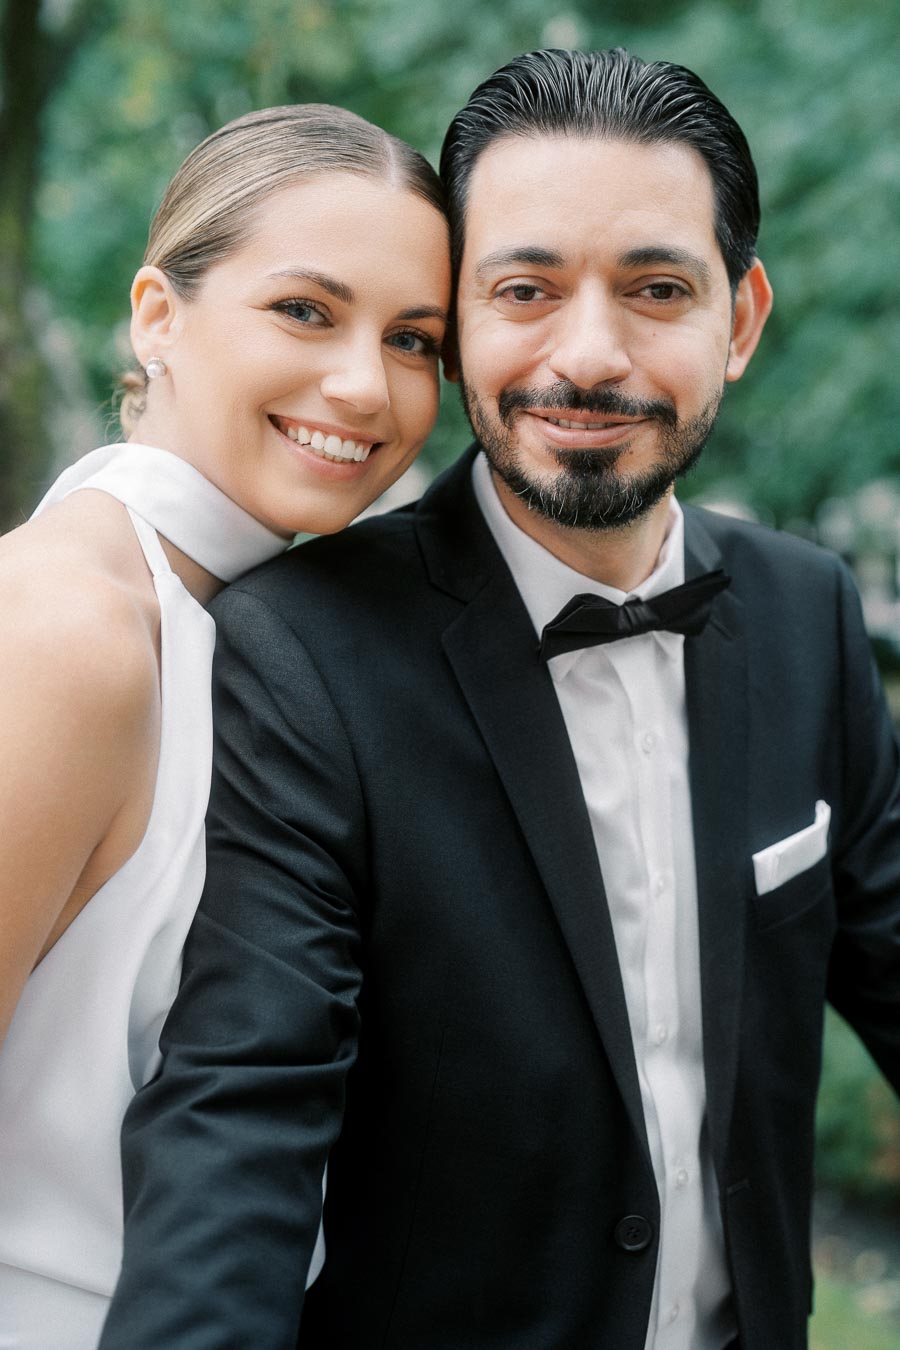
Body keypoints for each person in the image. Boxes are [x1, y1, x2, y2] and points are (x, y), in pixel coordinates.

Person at [99, 49, 900, 1350]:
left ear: (740, 320)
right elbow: (238, 1122)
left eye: (656, 289)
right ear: (461, 315)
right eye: (525, 289)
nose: (587, 356)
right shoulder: (306, 650)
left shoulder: (808, 610)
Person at [0, 102, 449, 1350]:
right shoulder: (69, 634)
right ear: (158, 316)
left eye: (414, 338)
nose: (364, 384)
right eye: (305, 310)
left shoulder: (240, 627)